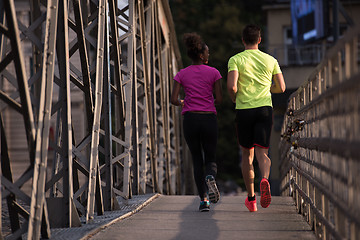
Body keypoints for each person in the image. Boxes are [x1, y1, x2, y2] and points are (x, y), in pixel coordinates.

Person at [227, 24, 286, 212]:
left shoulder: (235, 60)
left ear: (243, 40)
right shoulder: (271, 60)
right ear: (259, 40)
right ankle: (265, 179)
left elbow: (232, 87)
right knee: (262, 153)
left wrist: (235, 98)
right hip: (264, 109)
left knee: (247, 155)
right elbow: (282, 87)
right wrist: (268, 90)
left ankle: (252, 200)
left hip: (244, 110)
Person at [171, 32, 222, 212]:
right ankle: (210, 176)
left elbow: (174, 99)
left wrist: (184, 102)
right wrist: (206, 101)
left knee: (196, 158)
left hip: (190, 119)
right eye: (207, 52)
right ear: (201, 55)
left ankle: (204, 201)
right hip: (208, 118)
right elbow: (219, 98)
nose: (209, 54)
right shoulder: (214, 73)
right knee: (210, 158)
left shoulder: (181, 74)